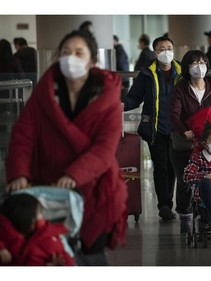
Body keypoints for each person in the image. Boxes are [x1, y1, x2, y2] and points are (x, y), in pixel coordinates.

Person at [5, 30, 128, 266]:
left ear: (92, 61)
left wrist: (73, 175)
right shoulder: (45, 92)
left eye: (78, 53)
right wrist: (19, 173)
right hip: (50, 191)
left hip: (96, 188)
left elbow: (105, 148)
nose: (70, 58)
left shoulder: (107, 95)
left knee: (92, 255)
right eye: (65, 52)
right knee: (51, 253)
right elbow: (23, 135)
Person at [169, 50, 211, 233]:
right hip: (185, 143)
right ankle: (185, 215)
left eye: (202, 62)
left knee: (209, 179)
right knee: (185, 181)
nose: (199, 66)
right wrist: (183, 130)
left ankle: (205, 215)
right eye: (194, 63)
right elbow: (173, 114)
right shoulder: (181, 88)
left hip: (208, 144)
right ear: (187, 67)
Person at [124, 36, 181, 222]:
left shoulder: (181, 72)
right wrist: (121, 105)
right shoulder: (147, 73)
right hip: (156, 129)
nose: (166, 52)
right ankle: (164, 205)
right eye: (162, 49)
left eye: (169, 48)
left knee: (174, 167)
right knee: (161, 166)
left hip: (178, 129)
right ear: (155, 53)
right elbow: (135, 96)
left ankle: (174, 203)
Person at [0, 193, 75, 265]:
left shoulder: (46, 231)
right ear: (30, 224)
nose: (42, 216)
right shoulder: (31, 248)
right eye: (39, 213)